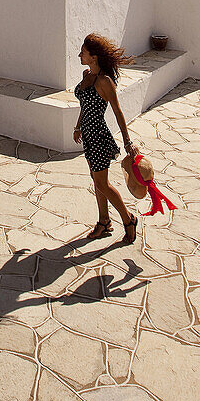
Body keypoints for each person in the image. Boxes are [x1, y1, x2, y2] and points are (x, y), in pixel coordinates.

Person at [73, 33, 139, 243]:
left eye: (83, 52)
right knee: (97, 180)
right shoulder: (87, 76)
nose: (79, 55)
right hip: (88, 136)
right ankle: (104, 221)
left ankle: (128, 220)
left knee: (103, 184)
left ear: (93, 56)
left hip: (100, 137)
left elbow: (118, 112)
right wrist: (78, 126)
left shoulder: (104, 81)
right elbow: (85, 105)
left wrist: (127, 142)